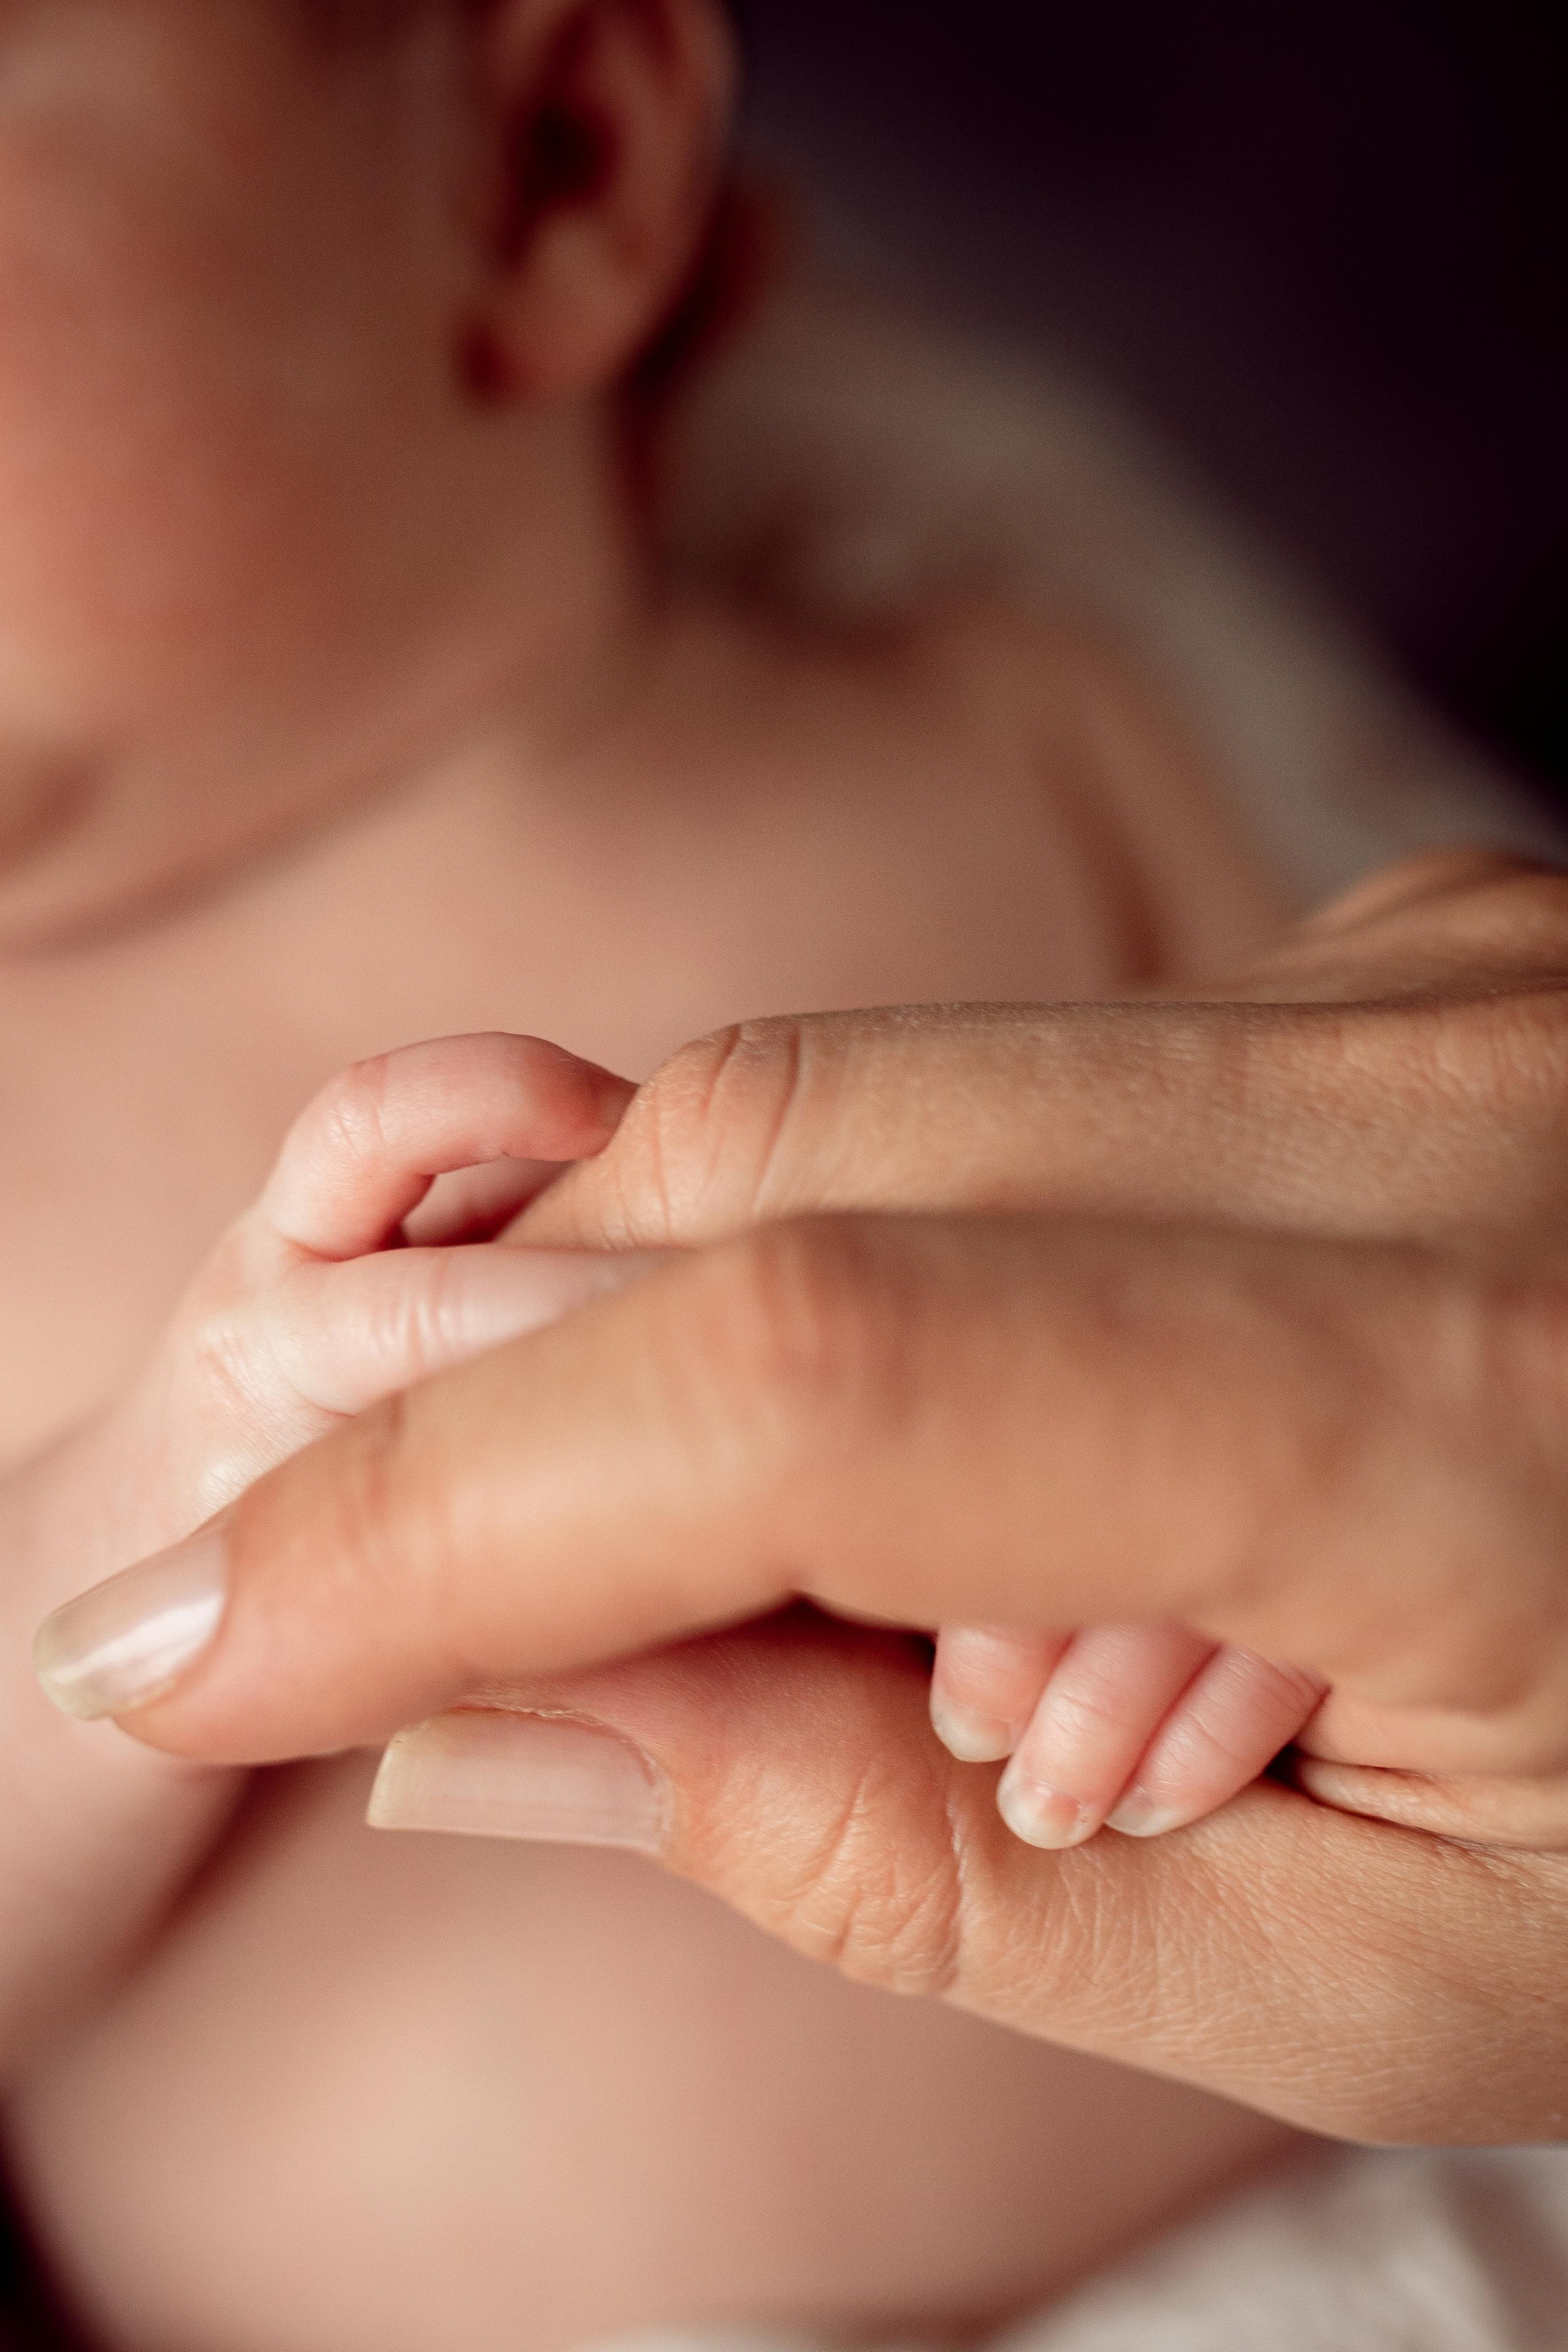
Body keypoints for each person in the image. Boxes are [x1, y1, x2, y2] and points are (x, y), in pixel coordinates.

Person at [0, 1, 1351, 2344]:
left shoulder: (1023, 734)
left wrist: (1258, 1559)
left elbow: (1420, 1306)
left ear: (552, 159)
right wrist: (145, 1528)